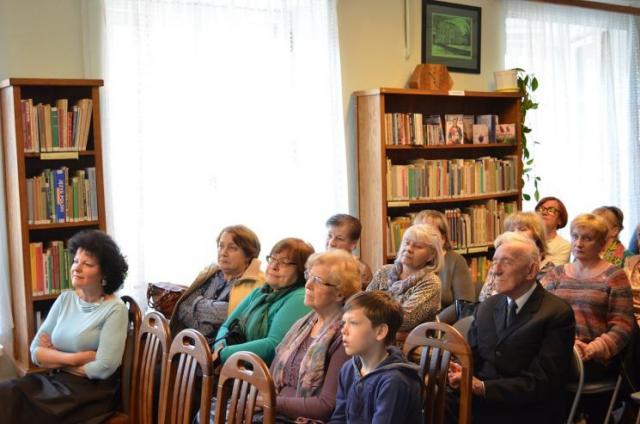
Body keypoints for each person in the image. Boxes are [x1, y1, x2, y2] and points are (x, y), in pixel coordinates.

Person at [208, 250, 361, 424]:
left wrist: (268, 402)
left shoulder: (344, 336)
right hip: (272, 411)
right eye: (309, 276)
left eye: (318, 280)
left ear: (340, 293)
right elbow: (271, 378)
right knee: (211, 413)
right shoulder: (303, 324)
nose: (308, 285)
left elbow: (325, 406)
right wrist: (252, 402)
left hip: (298, 419)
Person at [0, 230, 129, 423]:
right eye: (76, 261)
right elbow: (36, 352)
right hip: (57, 381)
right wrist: (77, 358)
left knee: (12, 401)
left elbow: (103, 367)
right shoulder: (65, 299)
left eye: (87, 264)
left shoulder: (115, 309)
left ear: (104, 274)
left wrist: (54, 357)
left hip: (90, 392)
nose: (77, 268)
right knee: (7, 391)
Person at [448, 232, 575, 424]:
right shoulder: (487, 306)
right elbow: (473, 357)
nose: (495, 270)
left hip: (527, 410)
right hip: (481, 404)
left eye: (506, 262)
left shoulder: (556, 313)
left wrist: (482, 387)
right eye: (494, 262)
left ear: (531, 271)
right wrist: (461, 371)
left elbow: (543, 382)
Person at [542, 213, 634, 422]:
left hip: (594, 357)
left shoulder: (614, 276)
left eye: (587, 238)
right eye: (575, 236)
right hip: (558, 349)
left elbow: (623, 326)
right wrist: (566, 344)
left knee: (541, 371)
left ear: (602, 244)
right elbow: (541, 314)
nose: (578, 243)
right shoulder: (555, 274)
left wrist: (593, 349)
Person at [212, 238, 314, 365]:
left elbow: (273, 346)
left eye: (284, 262)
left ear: (301, 270)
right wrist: (219, 347)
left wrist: (223, 354)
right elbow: (226, 326)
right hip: (235, 365)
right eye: (273, 259)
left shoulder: (299, 298)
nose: (274, 266)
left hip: (259, 373)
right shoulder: (261, 292)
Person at [328, 291, 423, 424]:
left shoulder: (395, 382)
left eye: (353, 323)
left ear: (380, 332)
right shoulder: (348, 369)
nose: (344, 330)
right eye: (344, 323)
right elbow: (339, 419)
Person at [169, 225, 264, 344]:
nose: (223, 253)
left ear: (248, 255)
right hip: (191, 346)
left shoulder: (256, 284)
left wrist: (197, 303)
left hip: (223, 351)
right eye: (221, 246)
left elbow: (231, 316)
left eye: (232, 248)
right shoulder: (212, 273)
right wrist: (205, 330)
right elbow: (183, 308)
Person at [367, 224, 443, 331]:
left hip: (411, 341)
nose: (408, 249)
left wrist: (369, 319)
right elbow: (363, 305)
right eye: (406, 243)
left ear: (431, 255)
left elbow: (402, 320)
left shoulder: (431, 282)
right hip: (376, 336)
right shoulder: (384, 271)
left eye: (418, 246)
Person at [413, 210, 475, 324]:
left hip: (443, 328)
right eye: (420, 234)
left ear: (443, 238)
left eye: (430, 234)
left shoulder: (455, 261)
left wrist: (432, 325)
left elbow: (464, 303)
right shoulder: (409, 261)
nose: (425, 239)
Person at [479, 212, 550, 301]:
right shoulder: (497, 265)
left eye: (522, 229)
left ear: (537, 235)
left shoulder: (549, 271)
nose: (515, 233)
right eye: (511, 230)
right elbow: (483, 298)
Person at [325, 214, 373, 289]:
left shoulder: (361, 270)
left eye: (339, 238)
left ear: (353, 244)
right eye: (329, 236)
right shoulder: (319, 264)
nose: (331, 243)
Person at [535, 196, 571, 266]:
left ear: (560, 220)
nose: (544, 212)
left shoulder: (564, 246)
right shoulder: (526, 238)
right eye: (541, 209)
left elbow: (550, 272)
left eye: (551, 210)